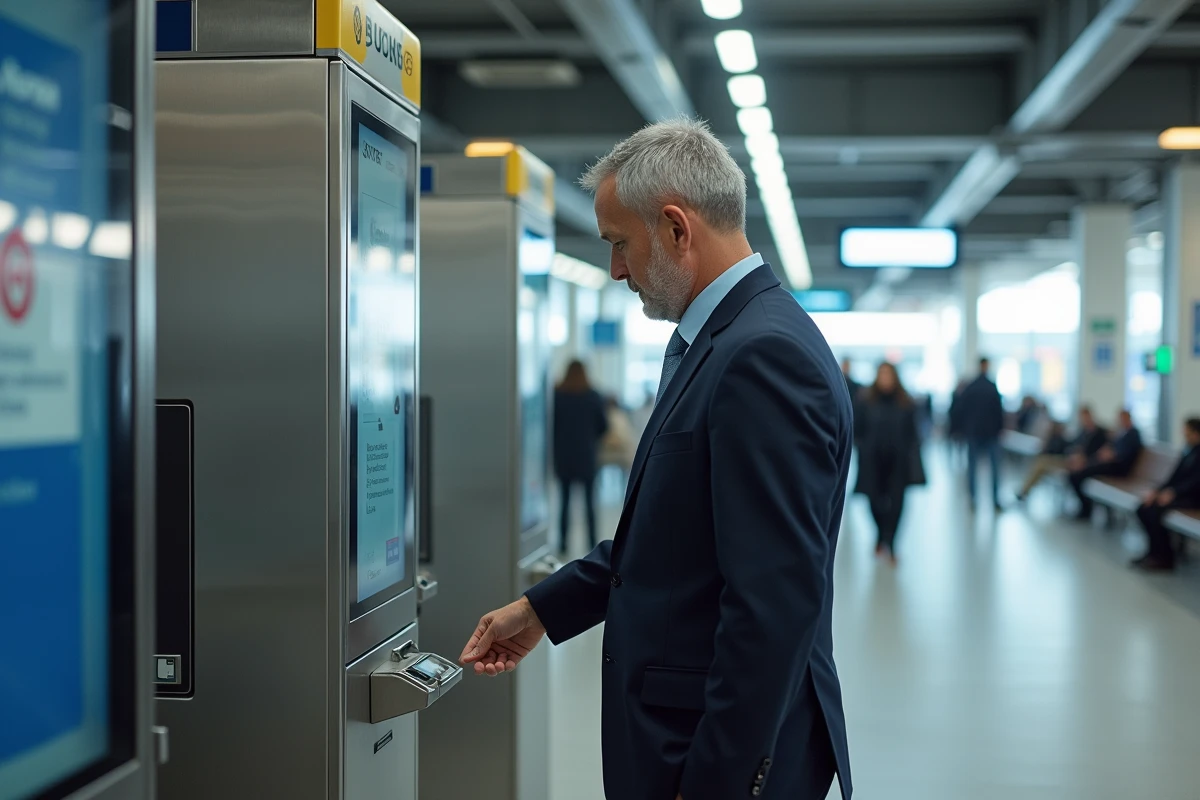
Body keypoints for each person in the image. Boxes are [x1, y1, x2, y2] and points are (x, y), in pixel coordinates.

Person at [458, 119, 853, 800]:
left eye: (619, 243)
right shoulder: (716, 343)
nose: (615, 269)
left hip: (717, 758)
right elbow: (681, 539)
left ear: (675, 228)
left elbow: (772, 606)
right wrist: (542, 609)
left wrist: (714, 784)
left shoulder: (761, 357)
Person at [854, 362, 925, 563]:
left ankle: (891, 543)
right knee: (873, 501)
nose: (885, 379)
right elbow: (857, 430)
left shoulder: (906, 403)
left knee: (897, 505)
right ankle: (880, 535)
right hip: (872, 462)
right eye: (882, 374)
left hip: (898, 463)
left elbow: (913, 435)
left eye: (889, 374)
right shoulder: (866, 402)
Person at [552, 360, 608, 552]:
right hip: (586, 456)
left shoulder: (557, 395)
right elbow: (603, 427)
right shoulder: (593, 396)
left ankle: (562, 544)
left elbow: (551, 427)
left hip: (564, 456)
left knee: (564, 502)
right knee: (590, 503)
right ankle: (592, 544)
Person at [1132, 417, 1200, 572]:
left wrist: (1173, 493)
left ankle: (1165, 558)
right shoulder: (1188, 451)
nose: (1185, 436)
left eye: (1187, 433)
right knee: (1143, 508)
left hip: (1194, 498)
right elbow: (1174, 476)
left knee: (1156, 512)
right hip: (1180, 495)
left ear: (1197, 434)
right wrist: (1157, 491)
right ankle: (1153, 553)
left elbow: (1196, 482)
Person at [1015, 406, 1108, 500]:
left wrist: (1083, 458)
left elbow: (1099, 454)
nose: (1084, 420)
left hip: (1083, 464)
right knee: (1042, 461)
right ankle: (1024, 490)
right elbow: (1072, 444)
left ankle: (1024, 491)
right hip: (1070, 459)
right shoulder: (1083, 431)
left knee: (1042, 464)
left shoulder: (1099, 433)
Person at [1068, 409, 1143, 520]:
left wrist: (1114, 454)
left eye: (1122, 419)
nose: (1120, 421)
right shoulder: (1121, 432)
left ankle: (1086, 508)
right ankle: (1085, 506)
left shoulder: (1133, 433)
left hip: (1118, 468)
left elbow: (1127, 453)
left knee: (1081, 473)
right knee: (1080, 471)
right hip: (1110, 464)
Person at [958, 357, 1005, 511]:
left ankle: (973, 498)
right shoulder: (992, 387)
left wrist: (964, 429)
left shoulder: (971, 387)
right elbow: (999, 412)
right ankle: (995, 499)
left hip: (974, 432)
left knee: (972, 467)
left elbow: (962, 410)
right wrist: (1000, 429)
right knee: (994, 468)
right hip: (991, 433)